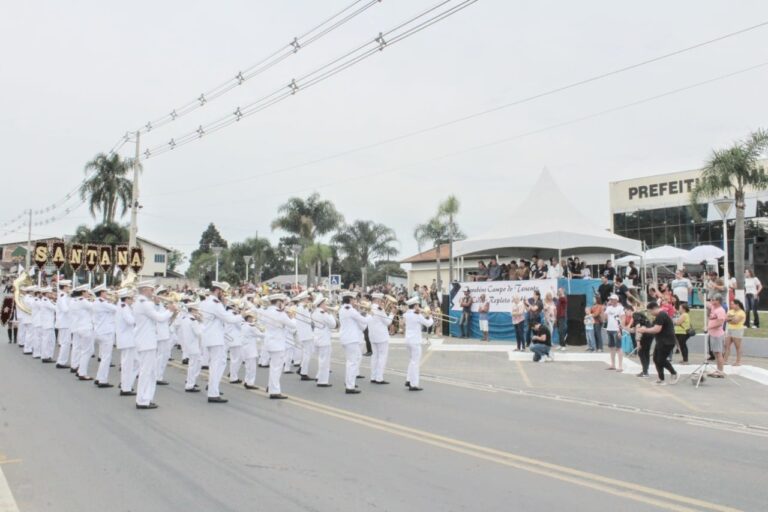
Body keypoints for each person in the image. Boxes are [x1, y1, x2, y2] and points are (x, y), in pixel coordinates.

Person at [133, 281, 176, 409]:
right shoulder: (145, 303)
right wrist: (170, 311)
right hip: (146, 341)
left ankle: (146, 398)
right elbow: (160, 318)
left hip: (147, 339)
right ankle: (142, 400)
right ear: (145, 290)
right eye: (151, 290)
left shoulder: (141, 302)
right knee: (146, 371)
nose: (153, 293)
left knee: (150, 372)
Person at [199, 281, 241, 403]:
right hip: (215, 338)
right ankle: (213, 393)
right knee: (215, 366)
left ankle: (213, 388)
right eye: (223, 292)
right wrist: (242, 316)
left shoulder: (205, 302)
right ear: (218, 291)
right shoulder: (215, 303)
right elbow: (228, 318)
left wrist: (223, 304)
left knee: (218, 363)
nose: (224, 295)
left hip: (209, 336)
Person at [260, 292, 296, 399]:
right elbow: (293, 325)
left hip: (269, 343)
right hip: (277, 344)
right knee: (276, 368)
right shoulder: (280, 314)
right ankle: (274, 391)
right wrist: (292, 316)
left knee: (273, 367)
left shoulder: (266, 312)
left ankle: (271, 387)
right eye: (282, 302)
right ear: (279, 302)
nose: (284, 304)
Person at [637, 301, 679, 385]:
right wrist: (644, 327)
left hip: (667, 341)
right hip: (661, 341)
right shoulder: (657, 316)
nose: (650, 313)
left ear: (654, 309)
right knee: (656, 359)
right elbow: (653, 327)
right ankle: (661, 379)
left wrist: (645, 330)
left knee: (661, 360)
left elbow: (657, 329)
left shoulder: (661, 315)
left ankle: (674, 373)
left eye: (650, 311)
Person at [339, 291, 367, 394]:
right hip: (351, 339)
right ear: (350, 300)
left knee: (351, 361)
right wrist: (369, 315)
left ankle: (349, 382)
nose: (355, 301)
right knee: (352, 362)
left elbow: (358, 323)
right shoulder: (351, 310)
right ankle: (350, 386)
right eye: (354, 299)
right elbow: (364, 321)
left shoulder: (342, 309)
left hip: (346, 338)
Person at [403, 296, 433, 390]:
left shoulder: (406, 314)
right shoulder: (417, 315)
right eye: (418, 305)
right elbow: (428, 324)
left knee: (412, 361)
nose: (419, 306)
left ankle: (408, 380)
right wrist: (431, 317)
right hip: (415, 341)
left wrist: (422, 312)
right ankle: (413, 384)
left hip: (408, 340)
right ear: (415, 305)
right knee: (415, 363)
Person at [92, 284, 117, 388]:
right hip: (106, 332)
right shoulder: (103, 303)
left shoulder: (96, 302)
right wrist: (117, 299)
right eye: (106, 292)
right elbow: (116, 309)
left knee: (104, 357)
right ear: (102, 293)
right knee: (106, 358)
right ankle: (102, 380)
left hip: (99, 331)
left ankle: (99, 378)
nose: (107, 294)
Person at [115, 288, 138, 396]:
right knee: (128, 365)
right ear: (126, 299)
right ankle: (125, 388)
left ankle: (126, 384)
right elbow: (131, 321)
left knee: (134, 363)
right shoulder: (124, 308)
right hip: (127, 339)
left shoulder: (124, 306)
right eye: (131, 298)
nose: (133, 300)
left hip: (128, 339)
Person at [311, 296, 337, 387]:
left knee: (321, 359)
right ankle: (322, 381)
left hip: (317, 338)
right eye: (325, 304)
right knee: (324, 361)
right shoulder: (323, 313)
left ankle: (319, 376)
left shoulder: (314, 313)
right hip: (324, 339)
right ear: (321, 304)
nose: (327, 305)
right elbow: (333, 325)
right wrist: (330, 314)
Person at [368, 292, 393, 384]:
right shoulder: (379, 309)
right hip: (381, 336)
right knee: (382, 357)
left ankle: (373, 377)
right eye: (381, 301)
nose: (382, 302)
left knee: (374, 356)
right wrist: (392, 314)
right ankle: (379, 378)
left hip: (372, 336)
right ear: (377, 300)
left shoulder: (369, 307)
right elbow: (387, 322)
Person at [706, 295, 727, 378]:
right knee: (715, 353)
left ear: (718, 301)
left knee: (718, 353)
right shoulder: (713, 307)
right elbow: (705, 303)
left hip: (717, 334)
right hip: (712, 334)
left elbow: (720, 323)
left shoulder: (720, 310)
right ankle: (718, 370)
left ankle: (721, 371)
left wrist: (708, 327)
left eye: (713, 299)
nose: (711, 300)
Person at [240, 311, 262, 390]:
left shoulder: (242, 325)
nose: (253, 319)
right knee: (252, 368)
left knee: (248, 367)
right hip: (251, 350)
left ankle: (246, 381)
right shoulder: (251, 327)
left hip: (244, 349)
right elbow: (261, 335)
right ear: (248, 318)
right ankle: (250, 383)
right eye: (252, 317)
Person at [603, 294, 624, 372]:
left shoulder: (620, 308)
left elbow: (622, 319)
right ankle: (612, 364)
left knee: (618, 347)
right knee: (611, 347)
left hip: (617, 329)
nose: (610, 301)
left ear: (616, 300)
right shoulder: (609, 308)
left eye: (612, 299)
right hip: (610, 329)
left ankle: (620, 366)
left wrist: (620, 330)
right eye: (610, 299)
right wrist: (605, 309)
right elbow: (604, 318)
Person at [54, 280, 73, 368]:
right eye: (68, 286)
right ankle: (61, 362)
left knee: (65, 343)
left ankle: (61, 361)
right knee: (65, 343)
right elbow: (65, 309)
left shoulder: (64, 296)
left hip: (65, 322)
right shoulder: (62, 296)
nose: (69, 288)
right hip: (65, 323)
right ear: (64, 287)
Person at [725, 299, 746, 366]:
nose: (731, 305)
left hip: (737, 330)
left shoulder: (741, 312)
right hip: (730, 329)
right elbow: (726, 319)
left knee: (737, 346)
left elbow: (735, 321)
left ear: (737, 305)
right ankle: (725, 360)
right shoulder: (730, 311)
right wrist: (731, 318)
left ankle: (738, 361)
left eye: (732, 304)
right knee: (726, 345)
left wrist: (730, 318)